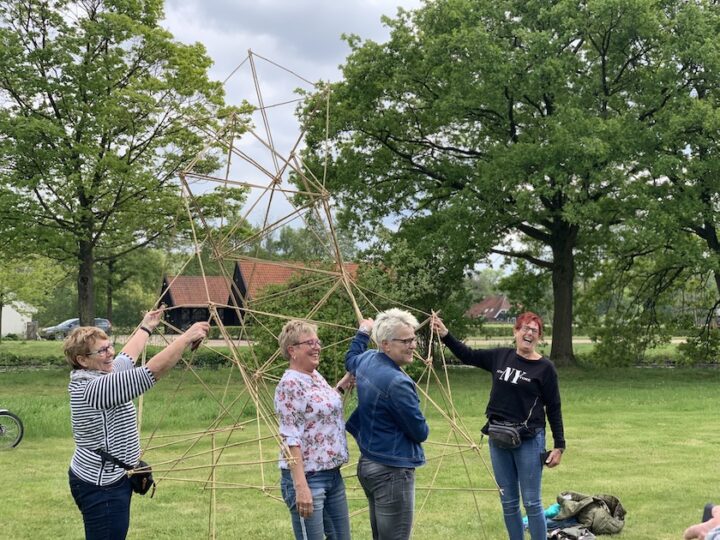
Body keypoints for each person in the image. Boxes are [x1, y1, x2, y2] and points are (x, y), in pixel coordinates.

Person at [66, 309, 209, 540]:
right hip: (102, 487)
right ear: (82, 360)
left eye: (109, 346)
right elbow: (151, 372)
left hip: (112, 478)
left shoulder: (101, 374)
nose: (109, 353)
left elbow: (126, 358)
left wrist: (146, 327)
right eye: (102, 350)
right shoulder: (93, 389)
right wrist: (186, 338)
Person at [431, 311, 565, 540]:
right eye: (524, 328)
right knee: (509, 501)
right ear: (515, 332)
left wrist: (559, 446)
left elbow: (553, 407)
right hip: (498, 437)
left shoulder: (545, 368)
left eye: (534, 330)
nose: (529, 333)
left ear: (540, 337)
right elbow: (468, 355)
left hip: (529, 440)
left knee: (532, 502)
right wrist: (445, 334)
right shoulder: (500, 357)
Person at [345, 308, 429, 540]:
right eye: (406, 340)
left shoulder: (367, 360)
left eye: (413, 338)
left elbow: (350, 358)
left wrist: (362, 333)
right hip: (391, 471)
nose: (413, 345)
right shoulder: (397, 382)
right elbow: (420, 431)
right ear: (385, 344)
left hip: (369, 465)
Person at [274, 320, 354, 540]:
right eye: (310, 343)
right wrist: (301, 487)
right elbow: (290, 438)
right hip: (309, 477)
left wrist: (343, 384)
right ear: (293, 350)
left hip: (332, 474)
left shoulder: (314, 375)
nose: (317, 347)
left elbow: (321, 405)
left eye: (318, 342)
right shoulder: (291, 384)